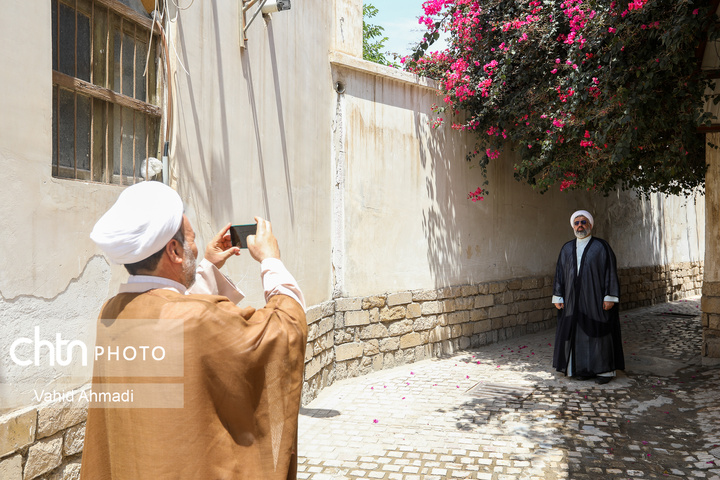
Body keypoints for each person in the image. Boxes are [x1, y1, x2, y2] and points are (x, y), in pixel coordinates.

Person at [80, 181, 307, 479]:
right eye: (192, 241)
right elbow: (286, 326)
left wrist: (208, 267)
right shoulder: (200, 318)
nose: (197, 249)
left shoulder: (111, 313)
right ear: (174, 250)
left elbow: (169, 313)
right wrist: (270, 259)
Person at [551, 209, 624, 385]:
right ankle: (582, 369)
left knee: (599, 331)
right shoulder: (567, 248)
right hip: (572, 299)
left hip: (596, 298)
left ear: (590, 225)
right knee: (577, 333)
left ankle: (604, 371)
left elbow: (610, 272)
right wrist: (558, 296)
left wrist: (609, 296)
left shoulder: (601, 246)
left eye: (583, 222)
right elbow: (559, 273)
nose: (580, 225)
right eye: (577, 223)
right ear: (573, 226)